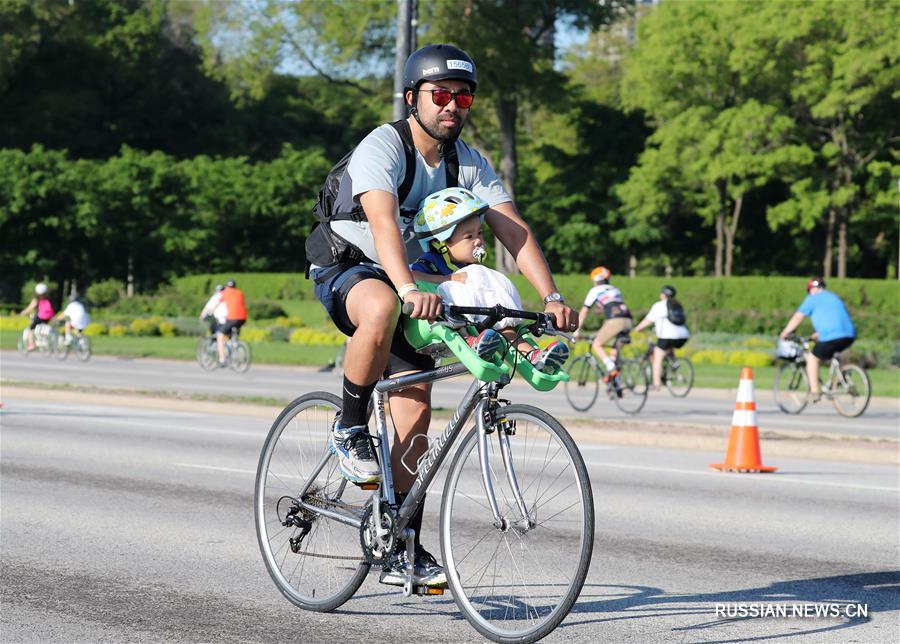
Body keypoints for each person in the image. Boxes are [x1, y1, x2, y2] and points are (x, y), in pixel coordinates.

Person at [307, 44, 577, 589]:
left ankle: (400, 540)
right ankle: (350, 424)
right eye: (441, 95)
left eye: (464, 96)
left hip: (418, 282)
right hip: (351, 266)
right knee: (380, 305)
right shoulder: (383, 146)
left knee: (416, 412)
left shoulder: (467, 161)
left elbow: (511, 228)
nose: (453, 105)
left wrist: (550, 298)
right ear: (413, 99)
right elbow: (382, 222)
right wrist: (405, 284)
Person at [410, 187, 569, 374]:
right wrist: (446, 278)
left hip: (479, 323)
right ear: (440, 243)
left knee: (495, 300)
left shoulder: (470, 270)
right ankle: (471, 342)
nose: (478, 241)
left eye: (480, 233)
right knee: (461, 285)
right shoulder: (431, 261)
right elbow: (409, 275)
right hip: (440, 323)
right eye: (469, 236)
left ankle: (532, 355)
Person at [779, 278, 856, 401]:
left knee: (812, 358)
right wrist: (820, 333)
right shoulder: (833, 297)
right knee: (831, 353)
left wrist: (785, 332)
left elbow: (798, 317)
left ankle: (815, 392)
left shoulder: (812, 299)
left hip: (832, 335)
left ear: (811, 290)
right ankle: (840, 378)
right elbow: (834, 318)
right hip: (849, 334)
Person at [573, 267, 633, 380]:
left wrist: (577, 331)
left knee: (596, 343)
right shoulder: (616, 289)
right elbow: (611, 304)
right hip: (628, 320)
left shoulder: (595, 290)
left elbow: (584, 311)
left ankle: (610, 367)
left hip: (615, 321)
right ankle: (616, 383)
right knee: (615, 348)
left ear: (595, 280)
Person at [632, 285, 690, 390]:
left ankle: (656, 384)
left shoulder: (660, 305)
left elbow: (648, 320)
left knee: (657, 357)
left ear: (663, 294)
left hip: (667, 335)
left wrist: (637, 329)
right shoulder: (677, 305)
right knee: (669, 349)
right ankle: (675, 366)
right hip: (683, 335)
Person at [217, 280, 247, 367]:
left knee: (220, 335)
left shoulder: (225, 293)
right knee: (232, 333)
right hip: (243, 318)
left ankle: (222, 359)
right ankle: (234, 344)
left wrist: (210, 311)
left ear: (226, 287)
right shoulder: (240, 293)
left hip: (232, 318)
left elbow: (217, 302)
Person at [19, 282, 55, 351]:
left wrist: (23, 312)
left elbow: (30, 308)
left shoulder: (37, 299)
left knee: (30, 329)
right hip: (49, 317)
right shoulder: (49, 298)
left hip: (41, 317)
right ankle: (42, 339)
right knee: (43, 326)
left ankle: (31, 344)